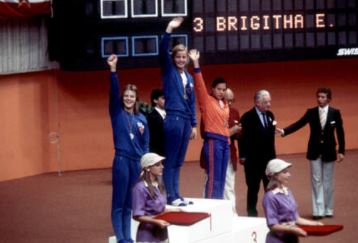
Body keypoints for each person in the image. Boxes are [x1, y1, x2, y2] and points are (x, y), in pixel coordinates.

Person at [276, 88, 345, 219]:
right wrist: (284, 131)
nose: (320, 99)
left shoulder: (335, 113)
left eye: (323, 97)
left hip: (330, 151)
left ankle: (328, 209)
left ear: (329, 99)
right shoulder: (311, 112)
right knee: (316, 180)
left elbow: (340, 132)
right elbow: (299, 123)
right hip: (314, 151)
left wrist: (341, 150)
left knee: (328, 181)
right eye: (318, 96)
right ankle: (318, 211)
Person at [107, 54, 149, 243]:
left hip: (137, 164)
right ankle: (121, 238)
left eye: (132, 96)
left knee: (130, 203)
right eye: (126, 96)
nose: (129, 99)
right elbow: (113, 92)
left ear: (136, 99)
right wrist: (113, 70)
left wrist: (145, 165)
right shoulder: (116, 113)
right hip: (122, 161)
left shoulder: (142, 119)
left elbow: (146, 144)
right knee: (119, 202)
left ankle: (128, 237)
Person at [160, 17, 197, 206]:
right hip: (173, 118)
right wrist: (169, 29)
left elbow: (192, 101)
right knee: (171, 158)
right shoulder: (169, 72)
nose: (181, 60)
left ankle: (176, 193)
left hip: (184, 121)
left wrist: (194, 125)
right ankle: (170, 196)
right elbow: (162, 50)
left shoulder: (189, 77)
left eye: (184, 57)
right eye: (178, 57)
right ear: (173, 59)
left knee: (179, 160)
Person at [188, 49, 232, 199]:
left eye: (223, 90)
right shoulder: (207, 100)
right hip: (213, 141)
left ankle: (218, 204)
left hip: (226, 142)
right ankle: (211, 206)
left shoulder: (225, 104)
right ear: (212, 89)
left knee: (222, 177)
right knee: (214, 178)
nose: (221, 92)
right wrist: (195, 63)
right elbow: (199, 84)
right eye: (218, 89)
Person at [263, 159, 323, 243]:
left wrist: (314, 224)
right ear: (275, 175)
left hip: (291, 239)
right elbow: (273, 225)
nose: (289, 174)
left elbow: (296, 218)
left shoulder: (288, 192)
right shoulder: (270, 197)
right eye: (285, 172)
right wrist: (294, 230)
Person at [239, 90, 276, 217]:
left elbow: (272, 139)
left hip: (269, 162)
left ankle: (271, 215)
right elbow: (242, 139)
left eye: (269, 101)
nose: (269, 104)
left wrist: (274, 160)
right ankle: (251, 215)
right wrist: (242, 156)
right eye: (266, 102)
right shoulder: (247, 117)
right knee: (253, 190)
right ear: (257, 103)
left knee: (270, 189)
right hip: (253, 162)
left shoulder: (271, 115)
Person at [132, 153, 180, 243]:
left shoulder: (159, 185)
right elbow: (137, 215)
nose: (162, 167)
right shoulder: (139, 188)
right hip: (147, 234)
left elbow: (160, 209)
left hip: (161, 233)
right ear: (147, 168)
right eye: (157, 165)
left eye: (161, 164)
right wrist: (156, 221)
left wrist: (176, 210)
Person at [224, 88, 241, 213]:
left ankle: (232, 213)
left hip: (231, 153)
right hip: (216, 153)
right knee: (212, 185)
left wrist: (238, 131)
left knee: (230, 186)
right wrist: (230, 132)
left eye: (232, 100)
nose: (229, 103)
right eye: (227, 100)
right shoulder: (213, 111)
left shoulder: (235, 112)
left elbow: (239, 136)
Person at [148, 89, 166, 156]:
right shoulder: (150, 116)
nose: (166, 100)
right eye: (163, 98)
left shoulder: (171, 115)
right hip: (157, 153)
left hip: (170, 152)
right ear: (155, 100)